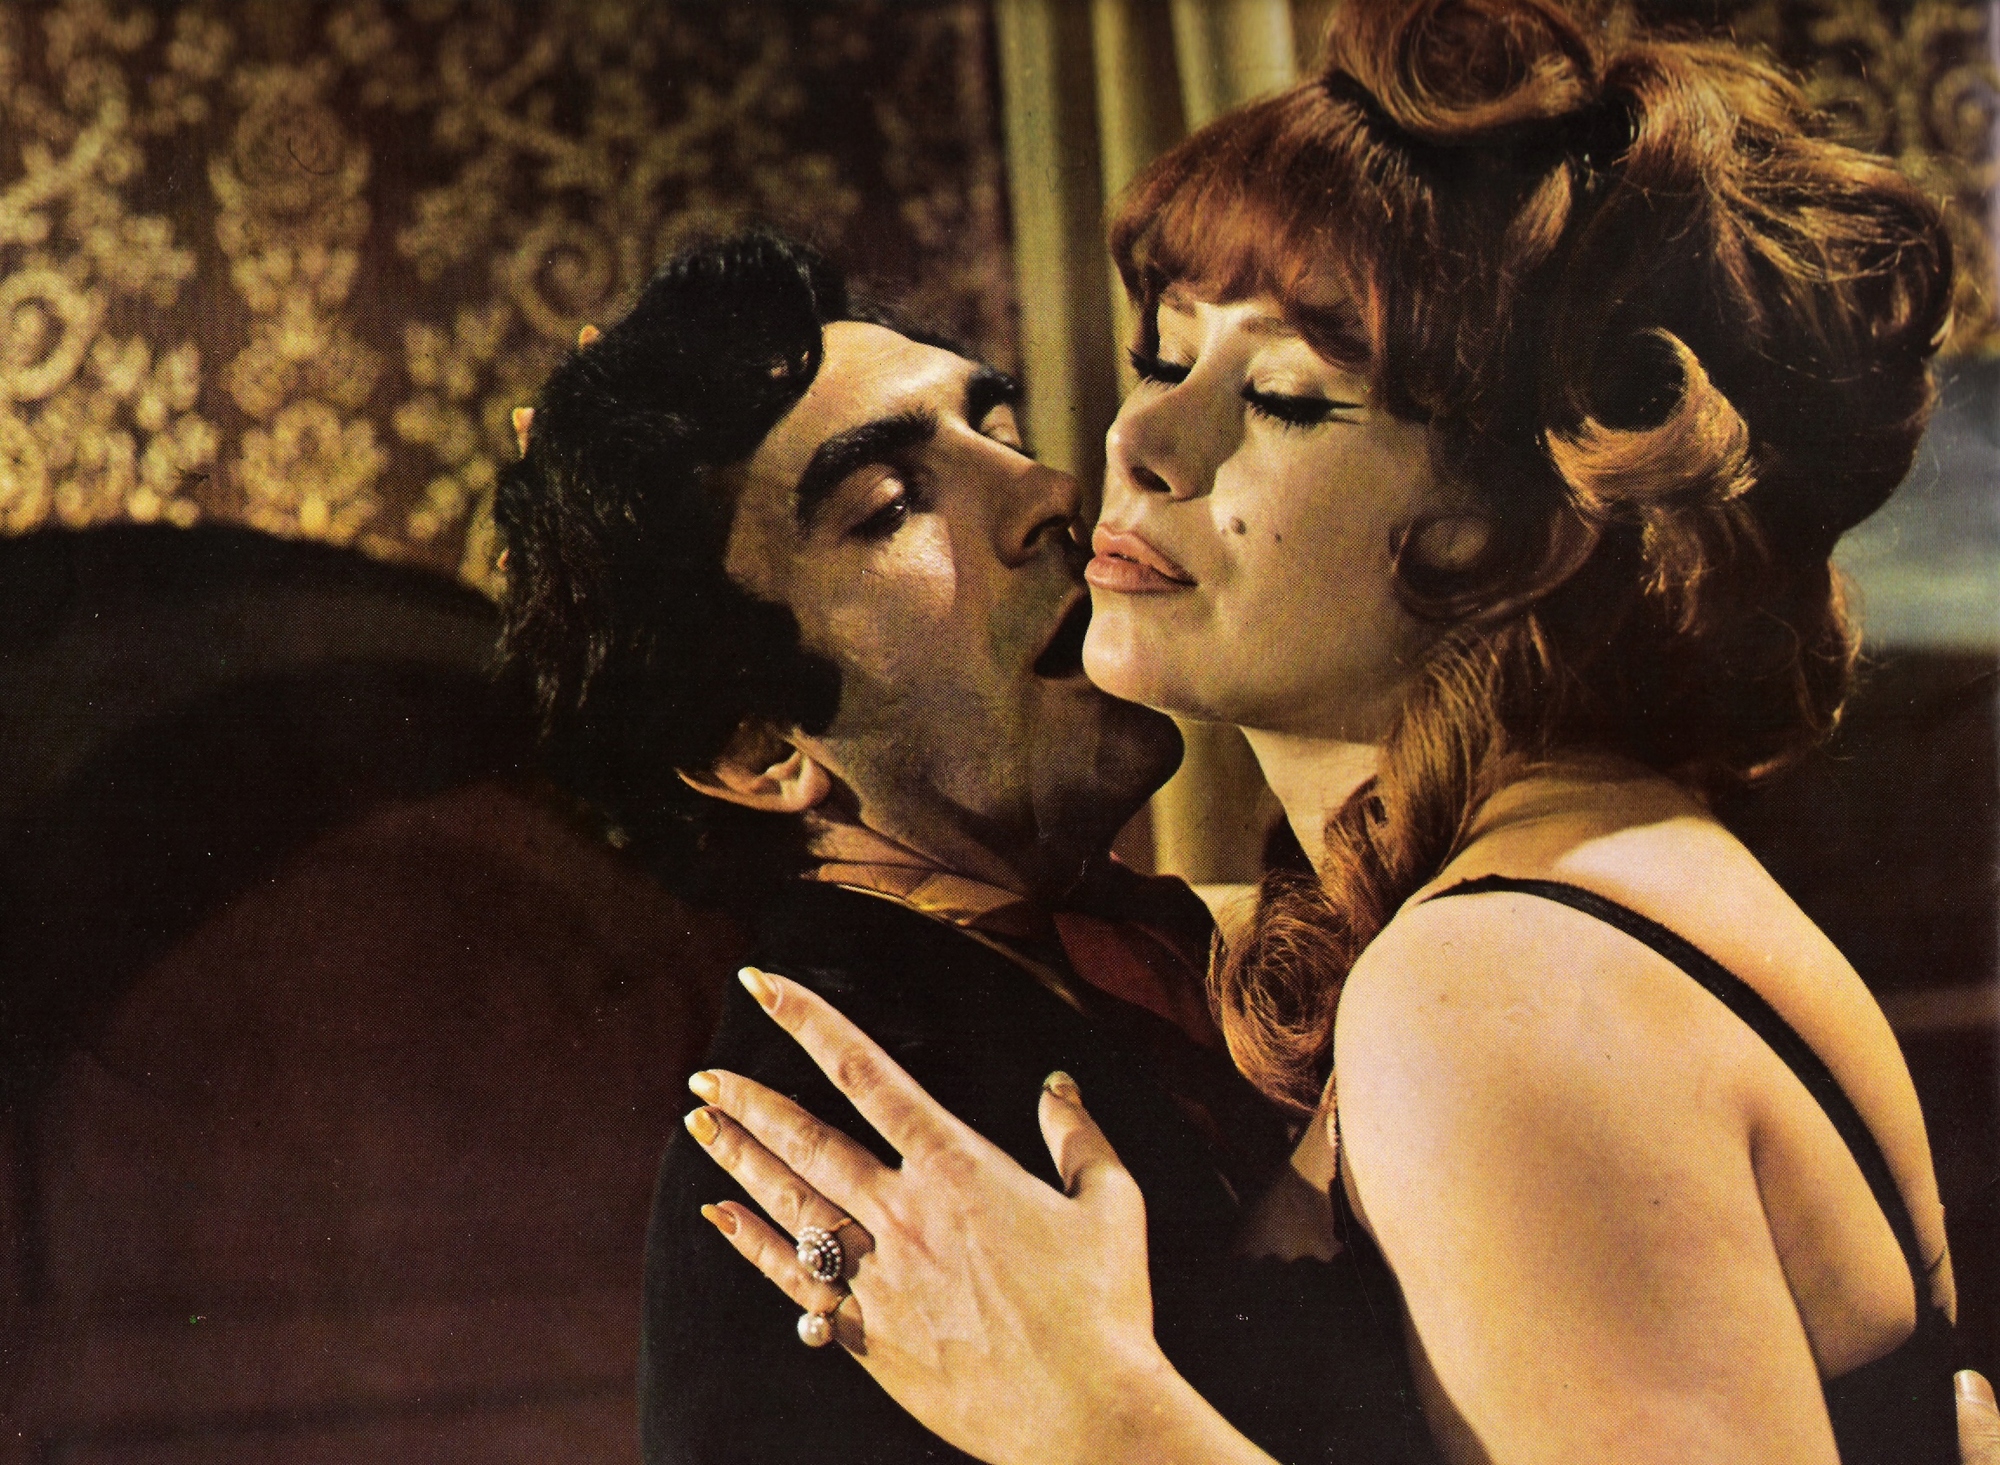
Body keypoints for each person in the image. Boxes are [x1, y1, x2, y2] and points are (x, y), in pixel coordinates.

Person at [682, 4, 1990, 1463]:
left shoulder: (1496, 984)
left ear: (1512, 532)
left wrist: (1101, 1430)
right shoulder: (1550, 877)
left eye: (1286, 400)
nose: (1135, 444)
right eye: (1165, 356)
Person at [491, 231, 1400, 1465]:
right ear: (756, 748)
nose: (1049, 493)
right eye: (889, 506)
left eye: (1002, 431)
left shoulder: (1153, 945)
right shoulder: (829, 1147)